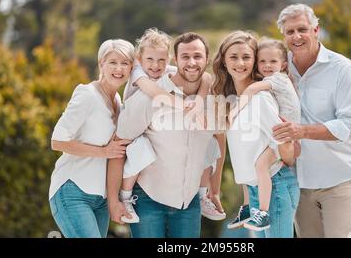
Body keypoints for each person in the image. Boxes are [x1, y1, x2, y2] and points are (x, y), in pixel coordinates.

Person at [107, 32, 217, 238]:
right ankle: (126, 195)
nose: (192, 62)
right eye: (185, 56)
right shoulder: (147, 93)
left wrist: (214, 190)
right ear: (176, 59)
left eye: (197, 56)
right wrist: (115, 200)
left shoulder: (211, 96)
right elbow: (119, 146)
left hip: (189, 201)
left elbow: (217, 141)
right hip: (148, 200)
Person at [272, 4, 351, 238]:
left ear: (316, 30)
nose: (297, 36)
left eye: (302, 29)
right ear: (283, 36)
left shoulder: (342, 68)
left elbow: (348, 125)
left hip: (339, 176)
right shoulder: (279, 70)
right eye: (290, 32)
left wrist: (301, 131)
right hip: (298, 180)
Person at [212, 30, 300, 237]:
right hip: (254, 190)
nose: (240, 63)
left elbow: (283, 142)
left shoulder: (260, 97)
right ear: (224, 61)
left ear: (254, 62)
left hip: (275, 184)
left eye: (246, 57)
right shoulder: (232, 100)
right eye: (234, 57)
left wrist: (284, 152)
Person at [49, 39, 134, 237]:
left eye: (125, 63)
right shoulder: (87, 94)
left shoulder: (118, 101)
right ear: (101, 64)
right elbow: (57, 141)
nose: (119, 69)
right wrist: (103, 152)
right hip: (72, 191)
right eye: (113, 62)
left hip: (100, 199)